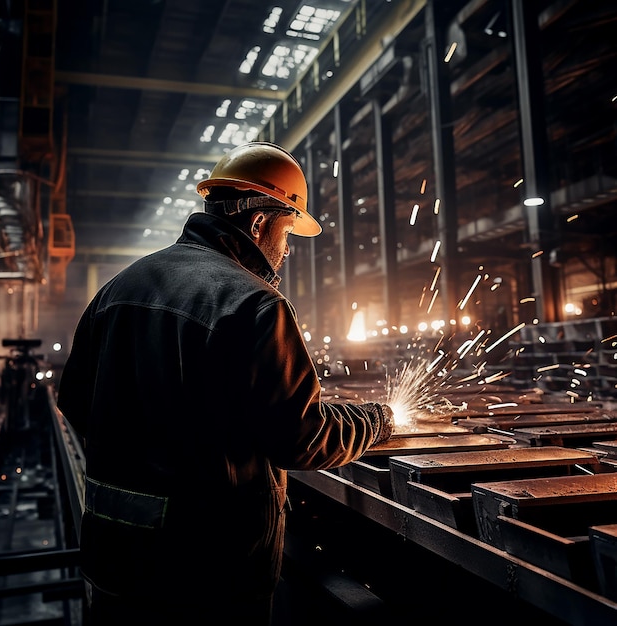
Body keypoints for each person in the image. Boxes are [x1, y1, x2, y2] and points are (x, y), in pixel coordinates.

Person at [57, 141, 394, 626]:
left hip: (115, 559)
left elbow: (75, 401)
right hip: (208, 575)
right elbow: (304, 440)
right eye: (286, 233)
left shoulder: (120, 287)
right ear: (259, 223)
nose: (285, 250)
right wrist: (377, 420)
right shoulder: (253, 303)